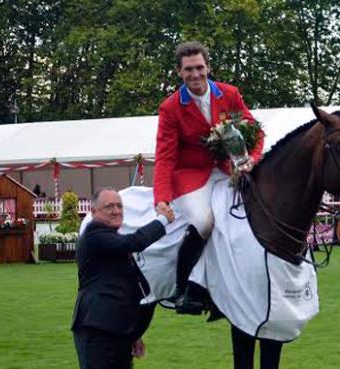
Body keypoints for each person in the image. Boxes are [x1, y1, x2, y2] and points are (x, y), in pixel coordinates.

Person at [154, 41, 264, 314]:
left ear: (208, 67)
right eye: (188, 69)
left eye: (199, 68)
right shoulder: (170, 108)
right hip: (190, 175)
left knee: (240, 222)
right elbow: (165, 156)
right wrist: (162, 198)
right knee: (204, 222)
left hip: (228, 170)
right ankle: (182, 289)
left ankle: (232, 286)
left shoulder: (230, 94)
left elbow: (255, 132)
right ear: (179, 72)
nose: (195, 75)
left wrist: (253, 159)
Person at [71, 188, 174, 369]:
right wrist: (162, 220)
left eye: (119, 206)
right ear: (93, 212)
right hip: (97, 331)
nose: (116, 211)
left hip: (118, 331)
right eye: (109, 206)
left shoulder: (112, 240)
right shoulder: (94, 234)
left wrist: (134, 334)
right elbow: (135, 242)